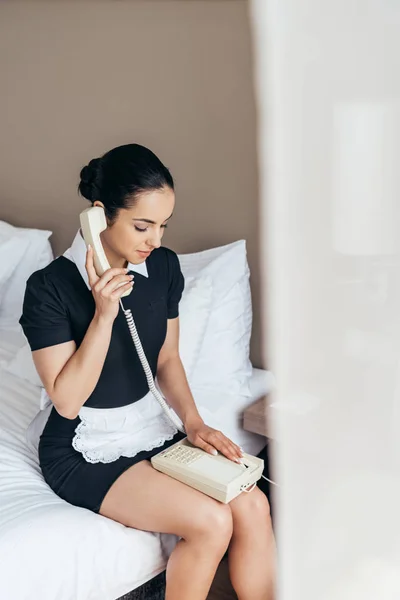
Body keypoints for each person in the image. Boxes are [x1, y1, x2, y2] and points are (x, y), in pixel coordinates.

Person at [20, 143, 275, 600]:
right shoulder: (49, 288)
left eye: (162, 225)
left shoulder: (163, 266)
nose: (154, 240)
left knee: (253, 504)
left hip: (149, 427)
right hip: (83, 446)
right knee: (211, 522)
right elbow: (67, 399)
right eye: (142, 225)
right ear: (99, 215)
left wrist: (194, 423)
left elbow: (167, 359)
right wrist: (103, 314)